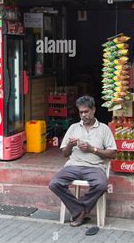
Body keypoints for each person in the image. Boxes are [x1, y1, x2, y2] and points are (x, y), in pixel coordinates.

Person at [49, 96, 116, 227]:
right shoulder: (74, 127)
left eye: (86, 111)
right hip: (73, 166)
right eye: (81, 112)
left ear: (94, 110)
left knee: (101, 185)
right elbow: (64, 154)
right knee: (54, 183)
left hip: (95, 167)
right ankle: (80, 211)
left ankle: (79, 210)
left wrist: (92, 149)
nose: (84, 115)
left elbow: (112, 153)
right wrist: (70, 145)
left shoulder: (104, 129)